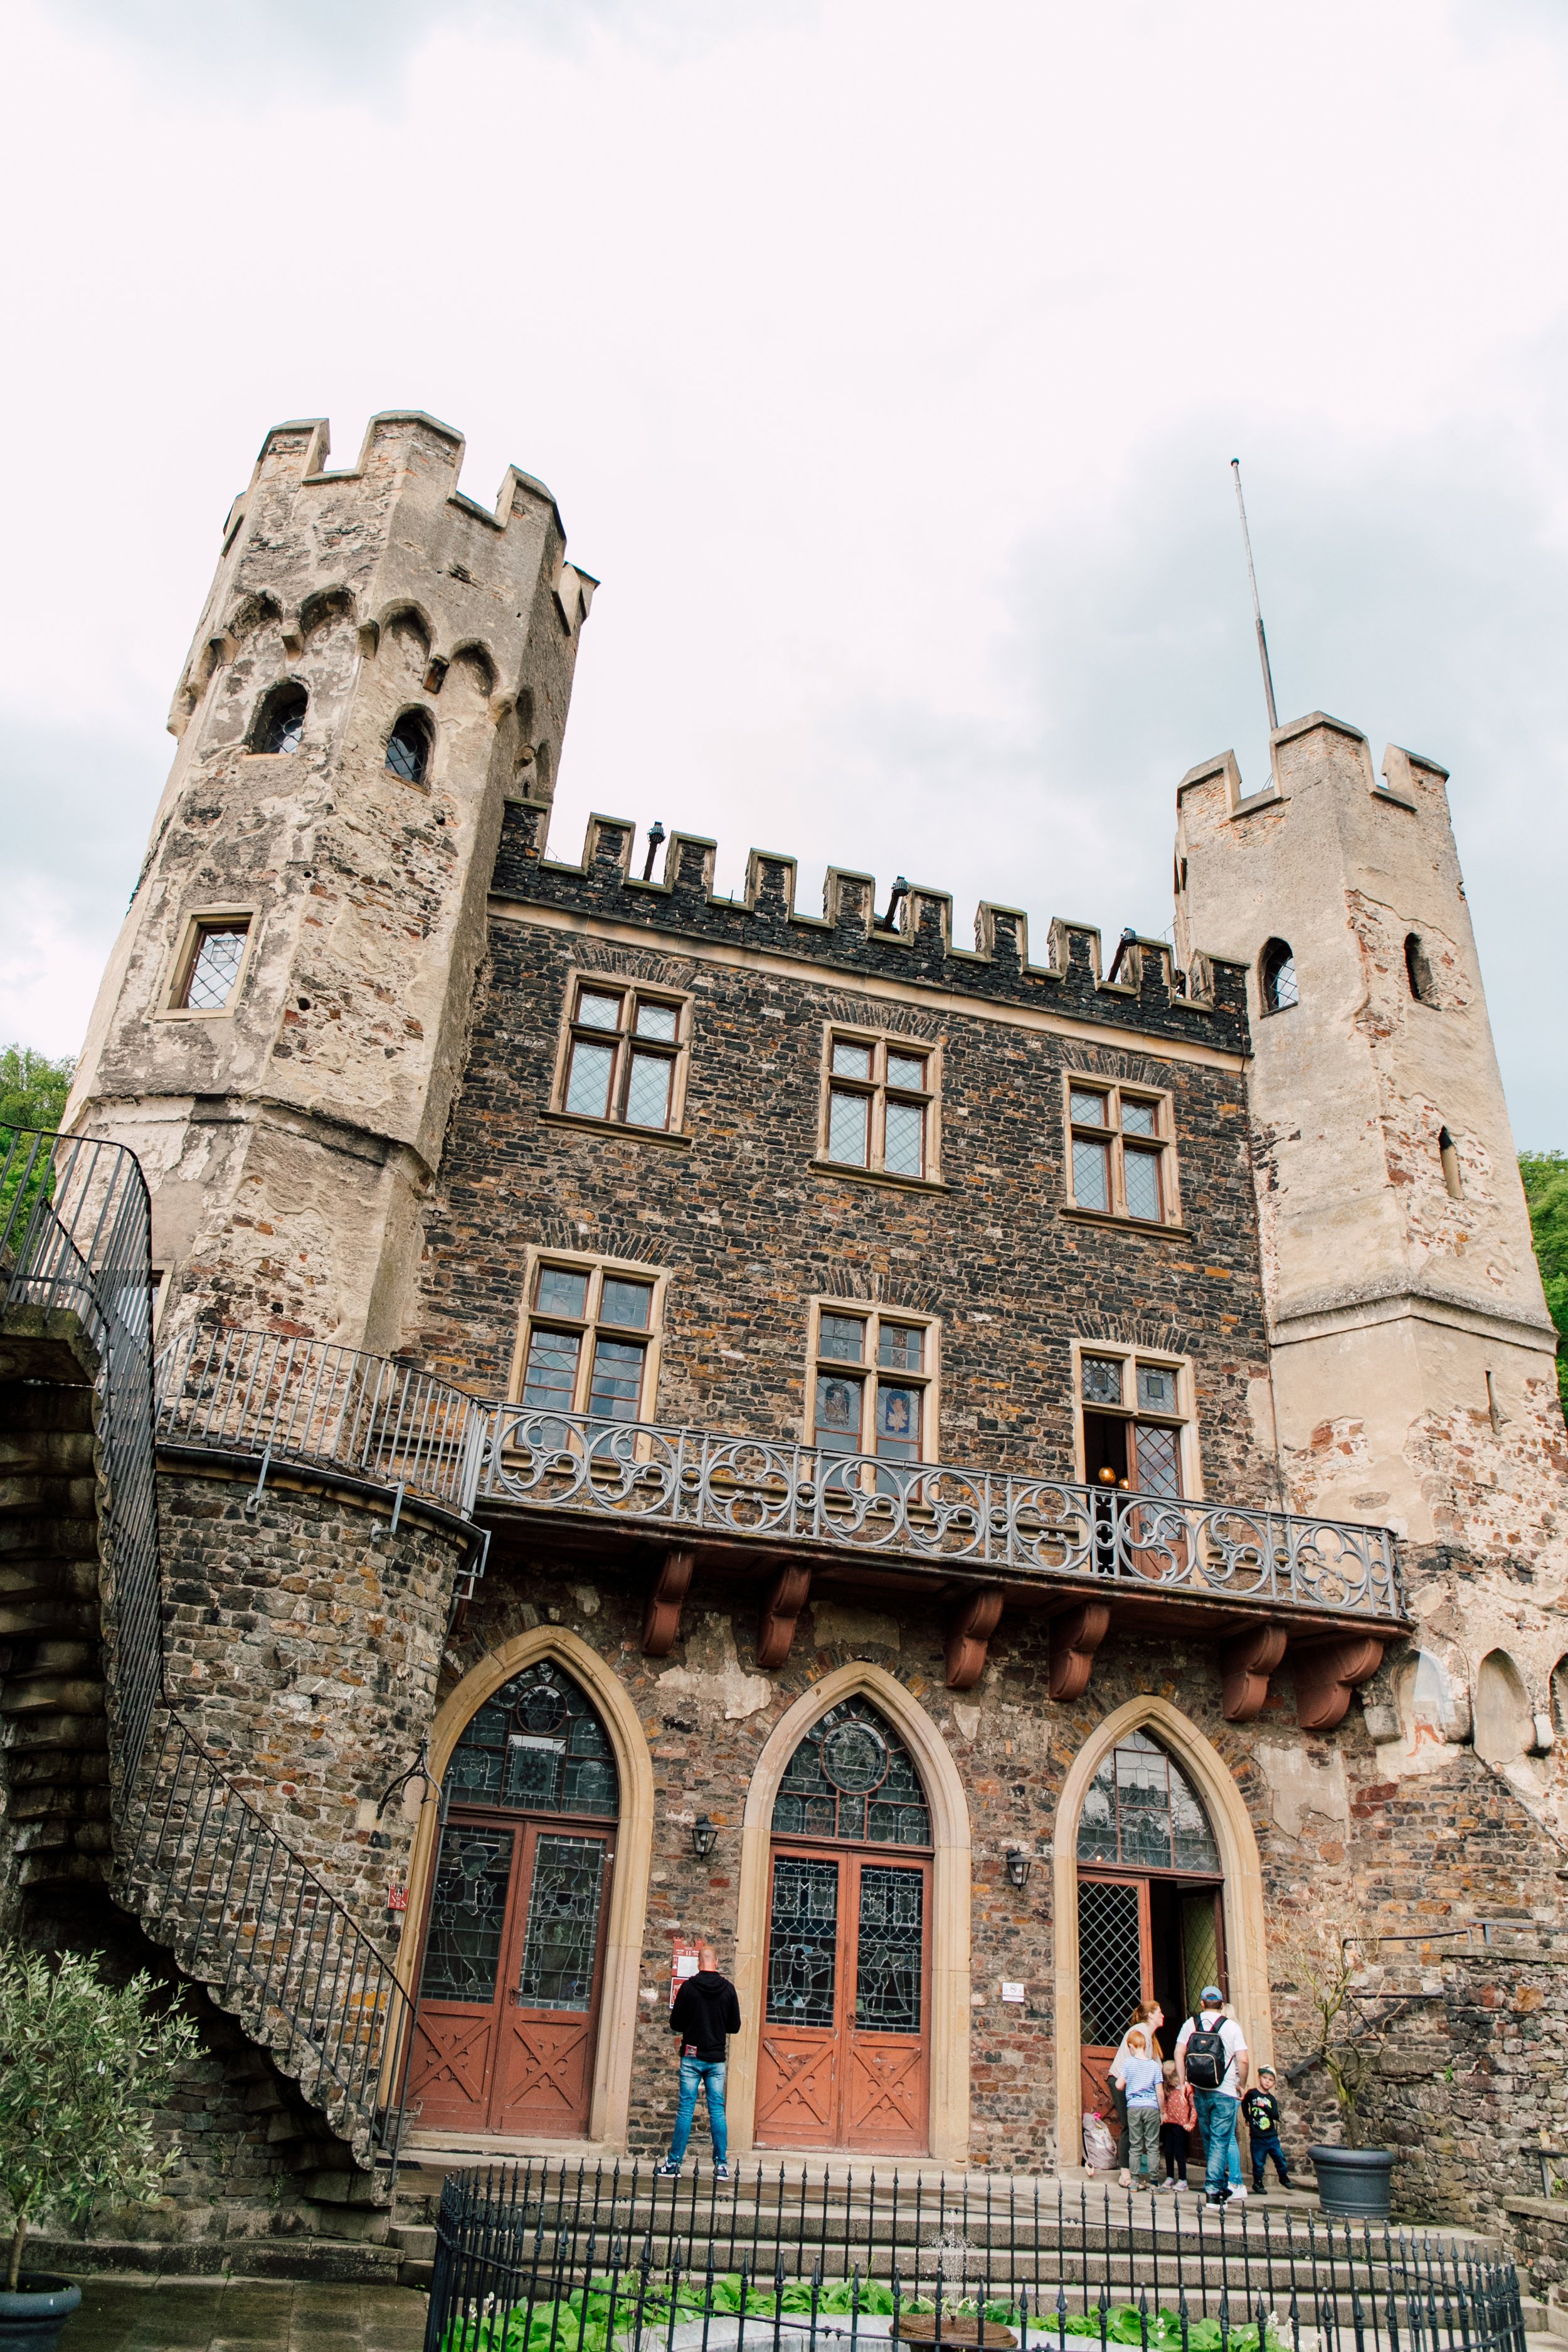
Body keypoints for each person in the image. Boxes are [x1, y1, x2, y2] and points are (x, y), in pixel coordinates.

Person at [657, 1943, 741, 2180]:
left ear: (698, 1964)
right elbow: (734, 2027)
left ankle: (674, 2163)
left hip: (692, 2057)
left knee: (685, 2109)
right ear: (716, 1963)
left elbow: (675, 2024)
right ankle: (722, 2166)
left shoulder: (688, 1988)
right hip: (715, 2059)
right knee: (717, 2110)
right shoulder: (728, 1990)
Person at [1174, 1983, 1249, 2207]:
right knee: (1220, 2139)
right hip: (1224, 2091)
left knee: (1209, 2138)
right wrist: (1241, 2084)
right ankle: (1214, 2190)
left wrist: (1183, 2082)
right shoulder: (1232, 2027)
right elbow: (1243, 2060)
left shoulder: (1191, 2024)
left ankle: (1220, 2184)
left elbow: (1179, 2052)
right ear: (1222, 2005)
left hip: (1200, 2089)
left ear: (1203, 2004)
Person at [1108, 2000, 1165, 2186]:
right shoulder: (1141, 2032)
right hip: (1121, 2082)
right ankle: (1125, 2175)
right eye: (1159, 2012)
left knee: (1134, 2129)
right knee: (1128, 2127)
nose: (1162, 2016)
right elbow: (1139, 2068)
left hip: (1131, 2087)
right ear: (1150, 2016)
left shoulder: (1150, 2037)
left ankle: (1133, 2175)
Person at [1241, 2067, 1291, 2193]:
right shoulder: (1252, 2094)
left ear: (1274, 2083)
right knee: (1258, 2162)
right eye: (1265, 2078)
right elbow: (1244, 2104)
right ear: (1259, 2078)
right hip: (1257, 2136)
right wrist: (1248, 2117)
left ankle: (1283, 2177)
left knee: (1279, 2157)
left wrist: (1264, 2106)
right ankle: (1258, 2183)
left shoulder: (1271, 2099)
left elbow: (1275, 2115)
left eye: (1271, 2080)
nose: (1267, 2082)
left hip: (1271, 2135)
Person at [1160, 2058, 1194, 2191]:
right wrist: (1164, 2114)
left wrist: (1191, 2123)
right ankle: (1170, 2177)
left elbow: (1193, 2106)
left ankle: (1183, 2179)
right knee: (1168, 2151)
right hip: (1169, 2123)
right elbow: (1165, 2102)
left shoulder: (1186, 2088)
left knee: (1180, 2153)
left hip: (1181, 2124)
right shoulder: (1168, 2088)